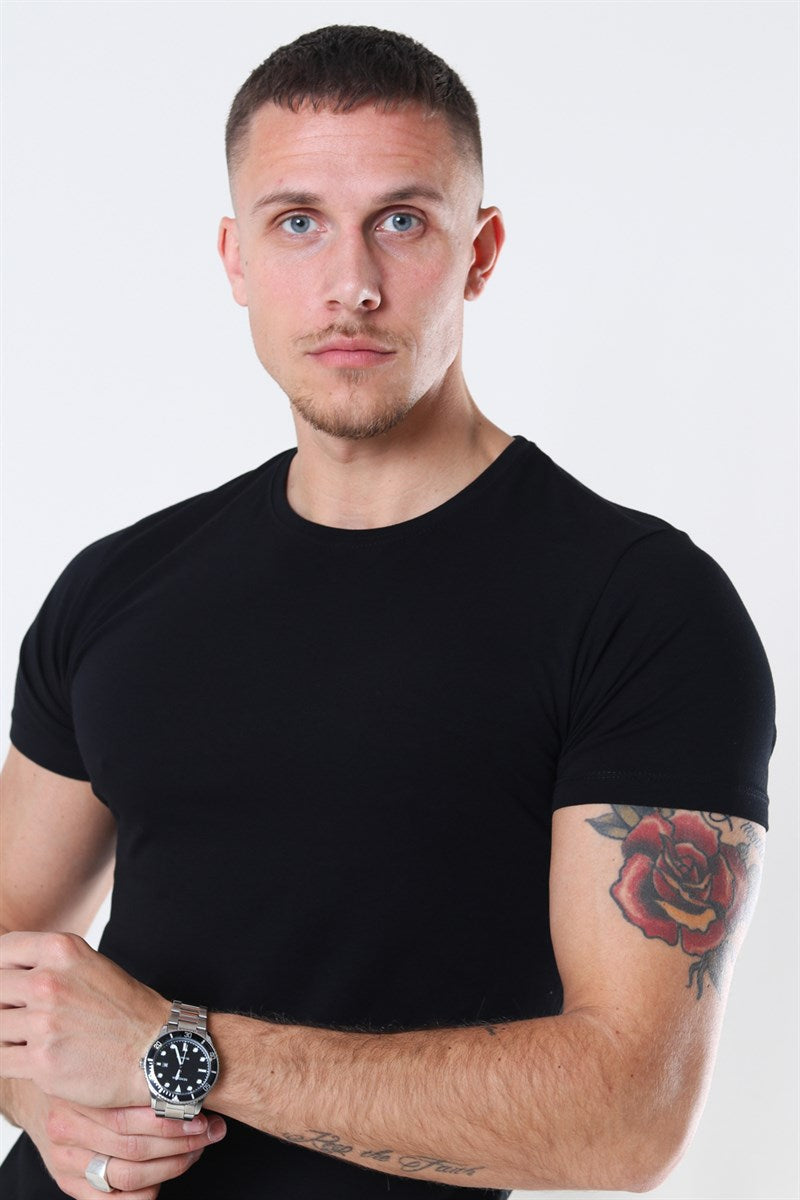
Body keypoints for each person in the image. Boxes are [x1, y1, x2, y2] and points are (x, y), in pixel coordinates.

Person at [0, 23, 776, 1200]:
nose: (350, 283)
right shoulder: (118, 585)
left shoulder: (641, 609)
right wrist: (49, 1106)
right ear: (235, 258)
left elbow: (626, 1120)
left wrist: (177, 1051)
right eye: (296, 222)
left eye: (401, 221)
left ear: (480, 251)